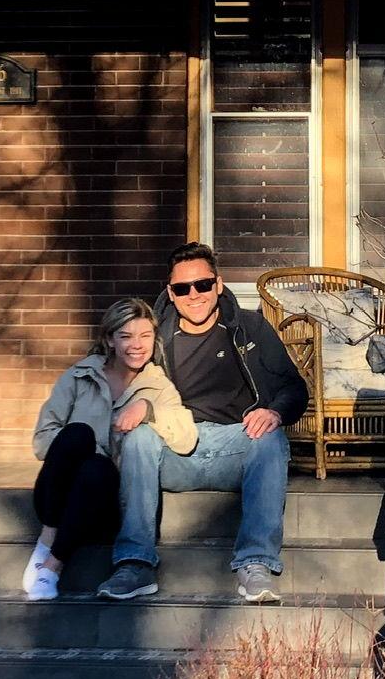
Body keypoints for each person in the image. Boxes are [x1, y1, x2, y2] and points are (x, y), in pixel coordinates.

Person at [96, 243, 309, 605]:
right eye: (182, 288)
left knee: (270, 440)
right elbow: (105, 376)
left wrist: (273, 412)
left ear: (219, 284)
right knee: (139, 439)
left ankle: (255, 564)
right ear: (170, 293)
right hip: (174, 446)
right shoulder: (152, 336)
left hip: (235, 444)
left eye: (202, 285)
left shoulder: (250, 328)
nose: (193, 295)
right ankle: (135, 564)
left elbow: (293, 388)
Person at [24, 297, 196, 602]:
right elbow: (42, 441)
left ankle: (52, 565)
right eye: (126, 336)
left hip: (105, 502)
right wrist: (84, 449)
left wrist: (148, 409)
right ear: (109, 339)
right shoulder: (80, 376)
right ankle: (47, 536)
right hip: (58, 495)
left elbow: (186, 438)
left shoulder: (159, 387)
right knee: (78, 434)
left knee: (99, 469)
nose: (137, 345)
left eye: (145, 336)